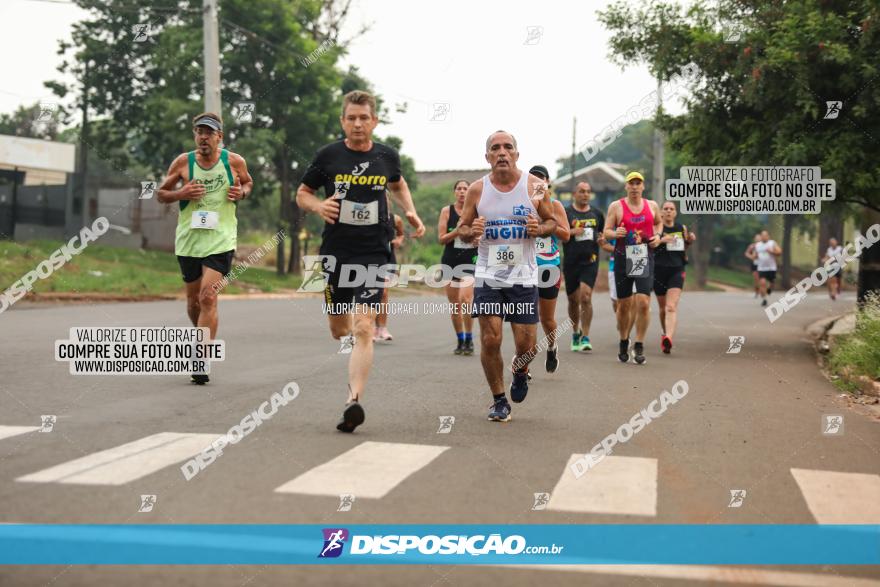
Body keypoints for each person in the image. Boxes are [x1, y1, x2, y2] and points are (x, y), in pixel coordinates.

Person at [296, 90, 426, 433]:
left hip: (374, 250)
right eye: (351, 118)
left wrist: (409, 210)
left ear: (374, 121)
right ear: (343, 121)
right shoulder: (327, 156)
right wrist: (318, 207)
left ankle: (352, 401)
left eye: (363, 118)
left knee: (364, 326)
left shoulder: (386, 156)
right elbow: (302, 193)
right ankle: (351, 329)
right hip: (336, 252)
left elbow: (398, 185)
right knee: (340, 329)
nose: (357, 123)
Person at [457, 131, 557, 422]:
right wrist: (470, 231)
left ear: (517, 154)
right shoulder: (477, 190)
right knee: (490, 339)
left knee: (526, 344)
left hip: (524, 277)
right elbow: (462, 229)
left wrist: (540, 228)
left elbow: (551, 221)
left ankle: (520, 370)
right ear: (487, 156)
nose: (502, 152)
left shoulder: (535, 187)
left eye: (507, 148)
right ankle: (499, 400)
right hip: (489, 275)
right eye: (495, 148)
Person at [156, 112, 253, 385]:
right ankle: (202, 336)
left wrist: (242, 192)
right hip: (189, 240)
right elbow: (161, 194)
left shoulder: (234, 161)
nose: (203, 137)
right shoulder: (182, 163)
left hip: (221, 238)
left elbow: (248, 182)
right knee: (193, 302)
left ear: (219, 137)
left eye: (209, 132)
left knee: (208, 297)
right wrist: (181, 194)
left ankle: (201, 357)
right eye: (199, 132)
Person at [603, 171, 662, 365]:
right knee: (624, 305)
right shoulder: (616, 206)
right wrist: (615, 232)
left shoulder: (652, 205)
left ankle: (639, 344)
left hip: (643, 257)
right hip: (622, 257)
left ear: (643, 186)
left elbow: (659, 223)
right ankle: (623, 339)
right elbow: (606, 232)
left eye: (638, 183)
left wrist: (658, 237)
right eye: (631, 183)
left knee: (644, 302)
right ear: (626, 186)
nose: (635, 186)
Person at [529, 165, 570, 371]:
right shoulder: (522, 205)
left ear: (548, 182)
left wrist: (547, 226)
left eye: (540, 179)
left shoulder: (555, 205)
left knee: (546, 318)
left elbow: (566, 234)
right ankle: (523, 366)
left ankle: (552, 346)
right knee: (526, 317)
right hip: (525, 268)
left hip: (549, 266)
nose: (537, 182)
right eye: (532, 178)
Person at [562, 181, 605, 352]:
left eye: (588, 191)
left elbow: (602, 233)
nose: (585, 194)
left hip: (590, 260)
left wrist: (602, 240)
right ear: (574, 194)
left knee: (585, 297)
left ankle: (586, 336)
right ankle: (575, 332)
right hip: (571, 262)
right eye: (581, 191)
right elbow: (559, 233)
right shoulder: (566, 213)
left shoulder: (597, 214)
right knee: (573, 300)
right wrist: (572, 232)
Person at [438, 179, 478, 355]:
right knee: (455, 305)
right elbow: (441, 239)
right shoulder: (447, 211)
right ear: (455, 192)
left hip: (470, 260)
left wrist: (478, 239)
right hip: (450, 260)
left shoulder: (477, 211)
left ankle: (469, 338)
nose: (462, 192)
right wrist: (458, 230)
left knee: (466, 300)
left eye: (465, 189)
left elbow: (485, 236)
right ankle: (461, 340)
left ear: (470, 192)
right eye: (459, 189)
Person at [652, 201, 696, 354]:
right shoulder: (656, 228)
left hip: (677, 270)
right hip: (658, 271)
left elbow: (684, 246)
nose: (669, 211)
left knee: (671, 307)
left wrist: (689, 240)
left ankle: (669, 338)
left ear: (675, 212)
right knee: (663, 308)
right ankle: (665, 334)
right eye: (666, 209)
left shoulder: (681, 228)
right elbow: (648, 245)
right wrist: (661, 240)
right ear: (661, 212)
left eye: (672, 209)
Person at [374, 195, 404, 342]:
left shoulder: (395, 219)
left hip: (387, 259)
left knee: (384, 292)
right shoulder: (369, 216)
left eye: (385, 197)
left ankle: (383, 328)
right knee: (372, 292)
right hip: (369, 258)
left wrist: (398, 240)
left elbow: (401, 234)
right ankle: (373, 326)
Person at [753, 229, 782, 307]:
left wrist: (771, 251)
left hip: (771, 268)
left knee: (772, 284)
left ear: (768, 236)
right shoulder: (758, 245)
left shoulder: (772, 243)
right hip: (761, 268)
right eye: (762, 235)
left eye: (765, 235)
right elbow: (755, 255)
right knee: (762, 283)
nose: (763, 237)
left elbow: (779, 252)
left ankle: (769, 289)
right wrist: (755, 257)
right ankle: (764, 299)